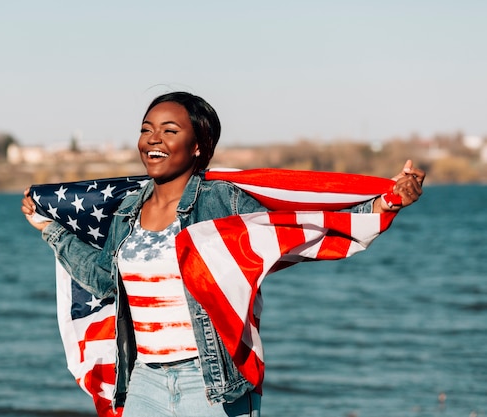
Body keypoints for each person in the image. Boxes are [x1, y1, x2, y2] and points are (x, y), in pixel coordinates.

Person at [21, 91, 425, 416]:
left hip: (212, 385)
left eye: (169, 130)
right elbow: (108, 280)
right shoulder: (128, 208)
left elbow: (297, 229)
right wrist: (51, 230)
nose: (153, 139)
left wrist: (383, 204)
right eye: (147, 130)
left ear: (198, 146)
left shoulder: (222, 201)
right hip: (142, 382)